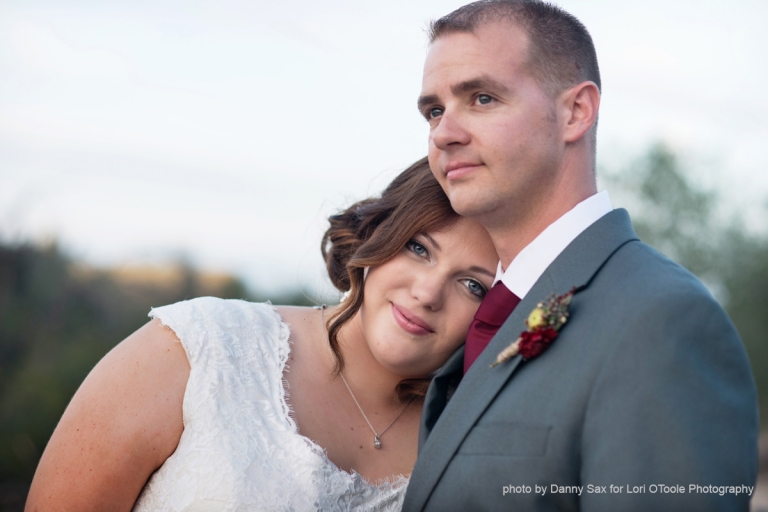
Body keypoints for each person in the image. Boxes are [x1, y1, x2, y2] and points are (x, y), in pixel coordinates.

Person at [403, 1, 759, 511]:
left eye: (481, 98)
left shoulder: (662, 321)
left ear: (575, 112)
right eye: (434, 110)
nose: (443, 133)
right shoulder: (478, 316)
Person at [25, 158, 499, 511]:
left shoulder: (471, 440)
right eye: (419, 248)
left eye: (473, 284)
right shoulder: (201, 349)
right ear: (381, 232)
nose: (428, 292)